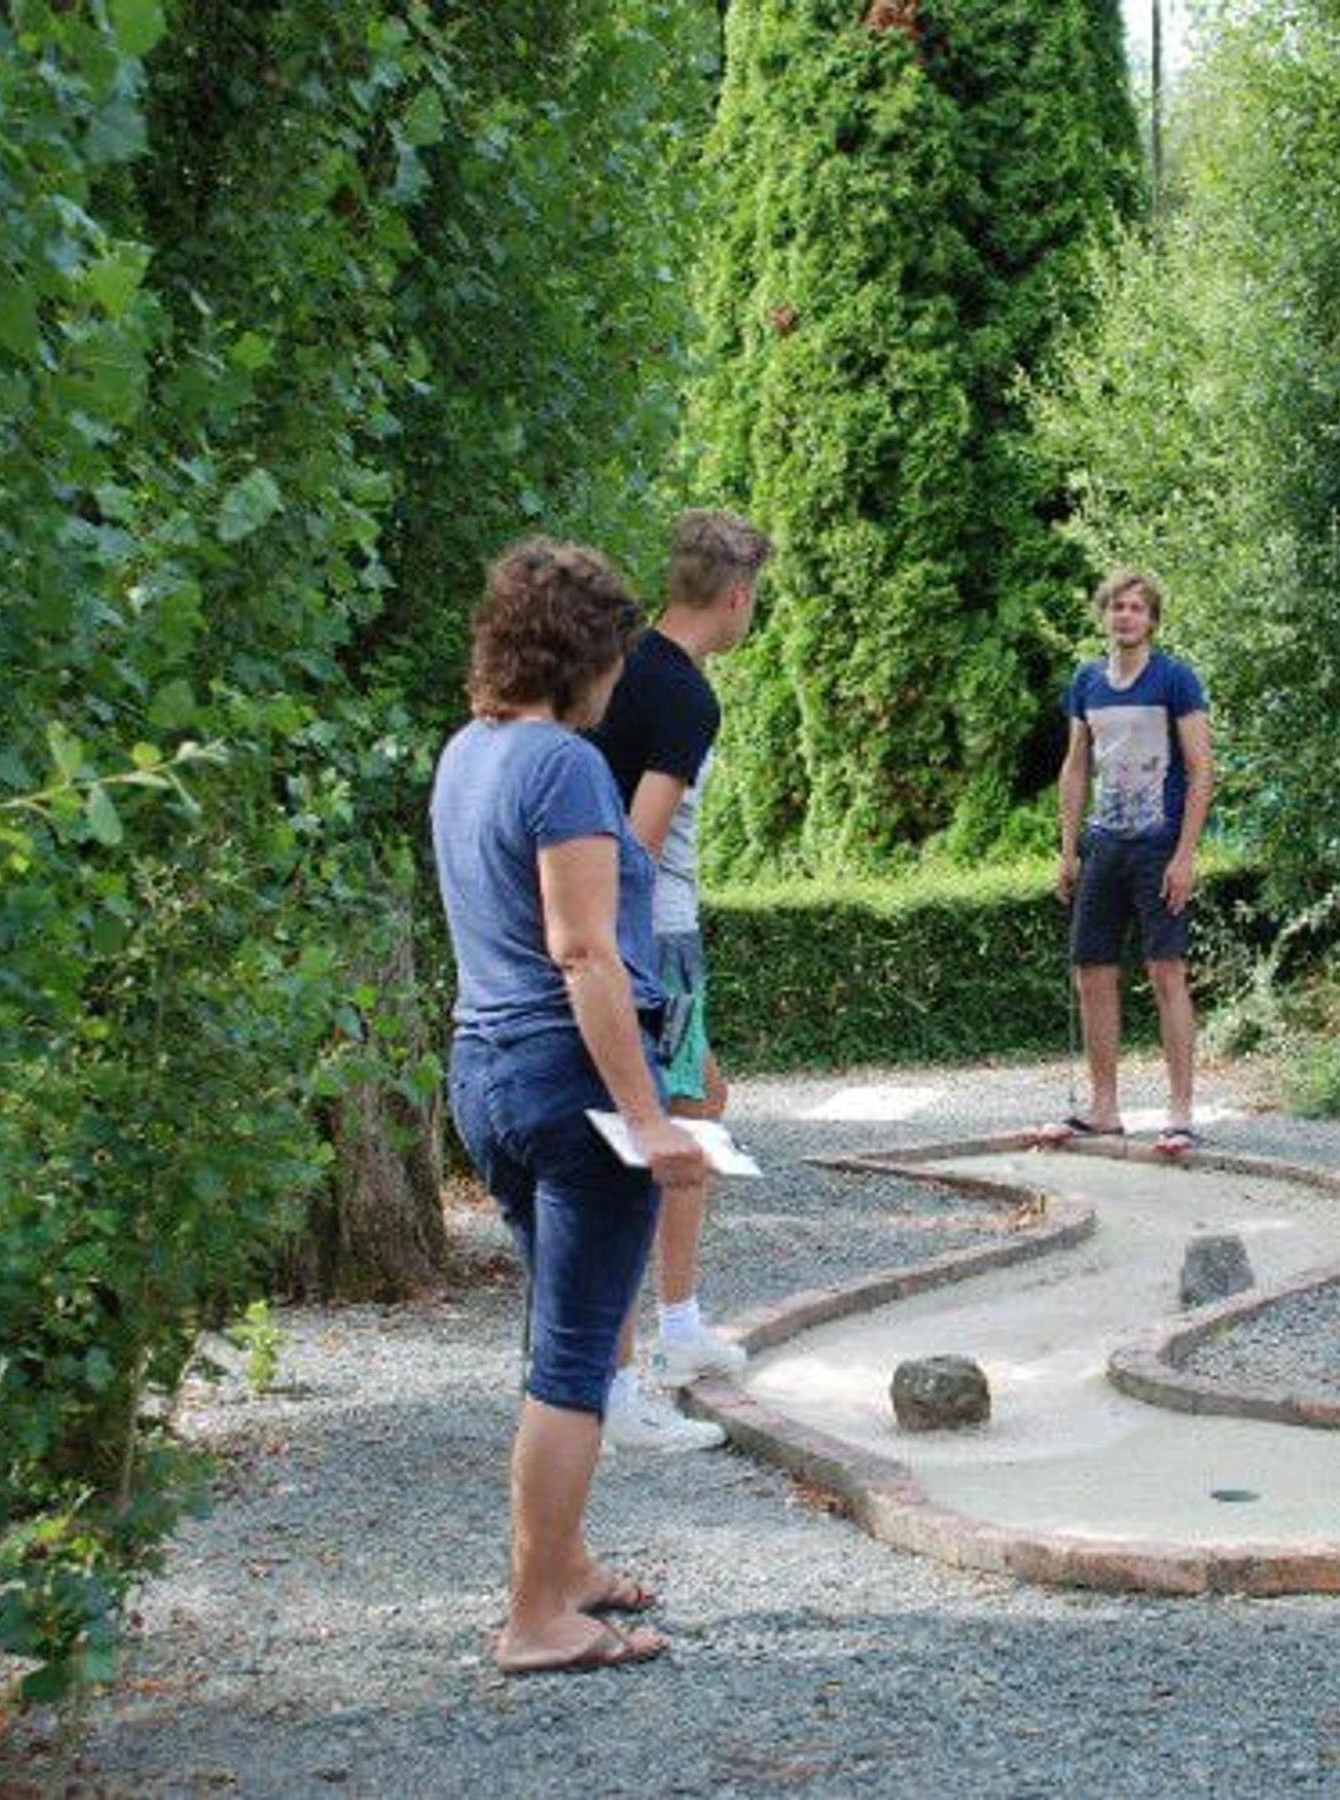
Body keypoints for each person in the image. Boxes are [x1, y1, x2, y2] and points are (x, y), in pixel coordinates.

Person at [432, 538, 702, 1675]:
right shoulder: (565, 767)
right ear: (584, 654)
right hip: (567, 1083)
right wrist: (648, 1117)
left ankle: (566, 1563)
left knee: (561, 1329)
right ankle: (536, 1616)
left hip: (483, 1071)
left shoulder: (466, 753)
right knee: (581, 1351)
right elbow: (584, 951)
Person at [587, 510, 771, 1453]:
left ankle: (680, 1325)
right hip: (654, 938)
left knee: (699, 1105)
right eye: (755, 596)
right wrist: (622, 964)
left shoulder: (622, 662)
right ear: (735, 596)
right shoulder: (687, 698)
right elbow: (638, 845)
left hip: (632, 936)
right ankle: (621, 1382)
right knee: (649, 1136)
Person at [1044, 570, 1214, 1155]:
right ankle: (1103, 1109)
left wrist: (1185, 856)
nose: (1126, 616)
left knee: (1167, 971)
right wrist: (1068, 851)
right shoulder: (1087, 681)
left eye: (1137, 608)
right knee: (1091, 971)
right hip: (1104, 845)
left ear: (1152, 620)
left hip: (1159, 846)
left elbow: (1202, 770)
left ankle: (1180, 1114)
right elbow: (1075, 768)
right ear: (1105, 615)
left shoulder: (1175, 679)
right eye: (1117, 606)